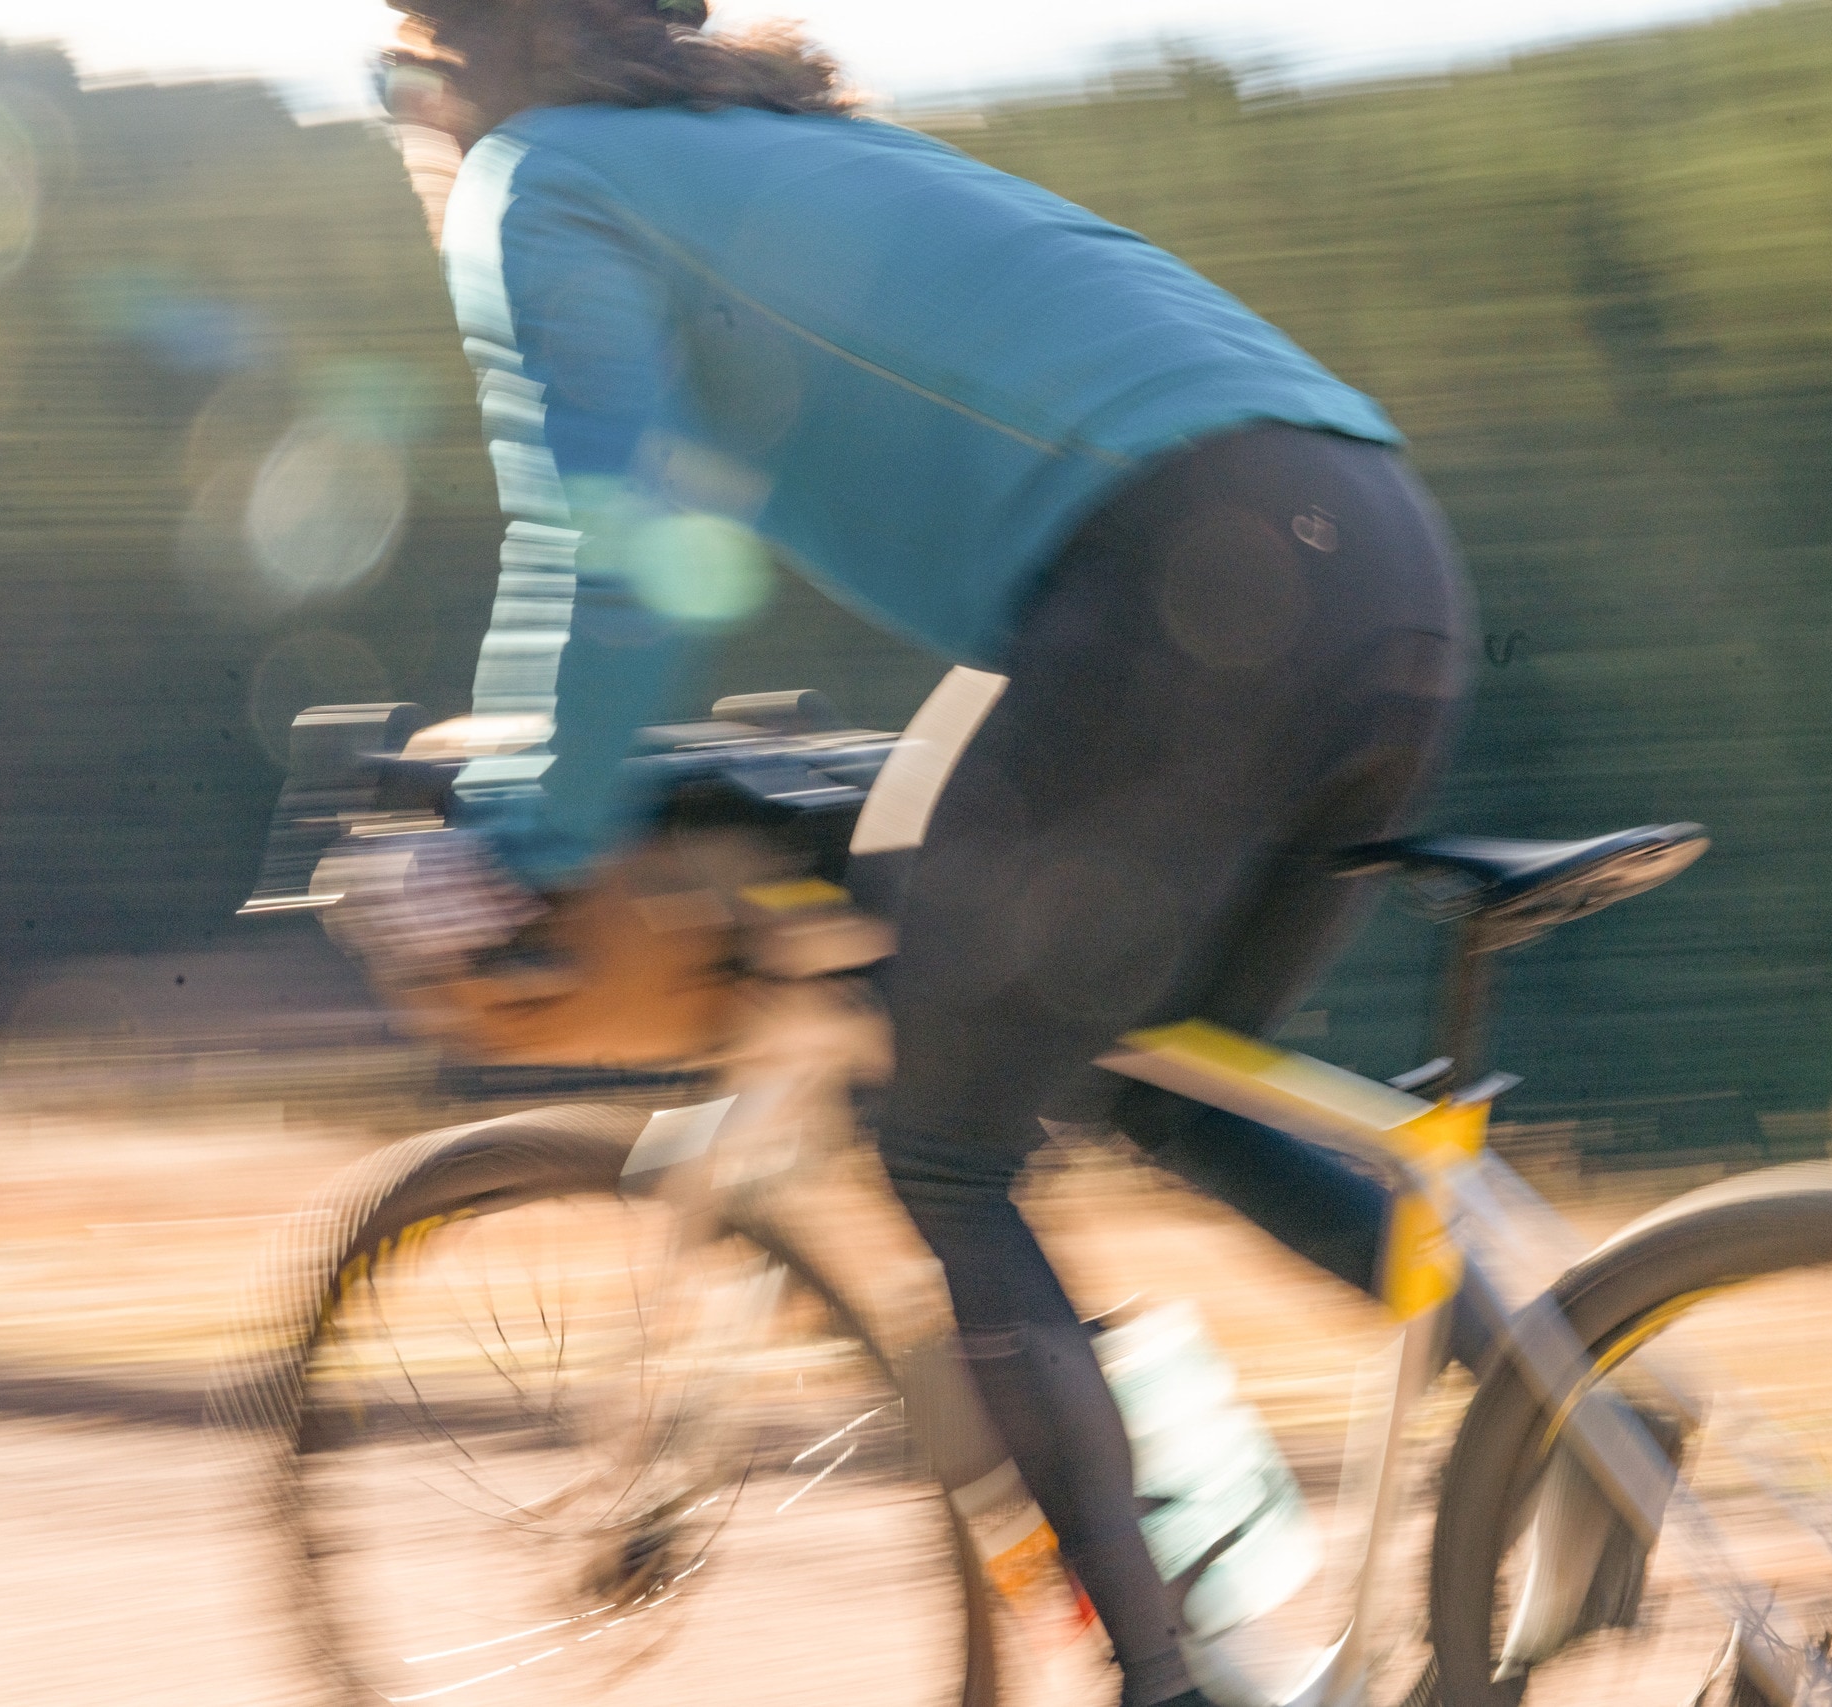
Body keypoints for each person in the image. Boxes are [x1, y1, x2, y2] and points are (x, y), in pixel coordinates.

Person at [378, 5, 1472, 1705]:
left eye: (407, 77)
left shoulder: (545, 178)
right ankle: (1593, 1395)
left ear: (482, 55)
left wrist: (523, 845)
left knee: (947, 1151)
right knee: (1171, 1086)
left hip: (1179, 577)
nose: (410, 121)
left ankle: (1167, 1684)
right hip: (1377, 557)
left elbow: (624, 552)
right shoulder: (778, 148)